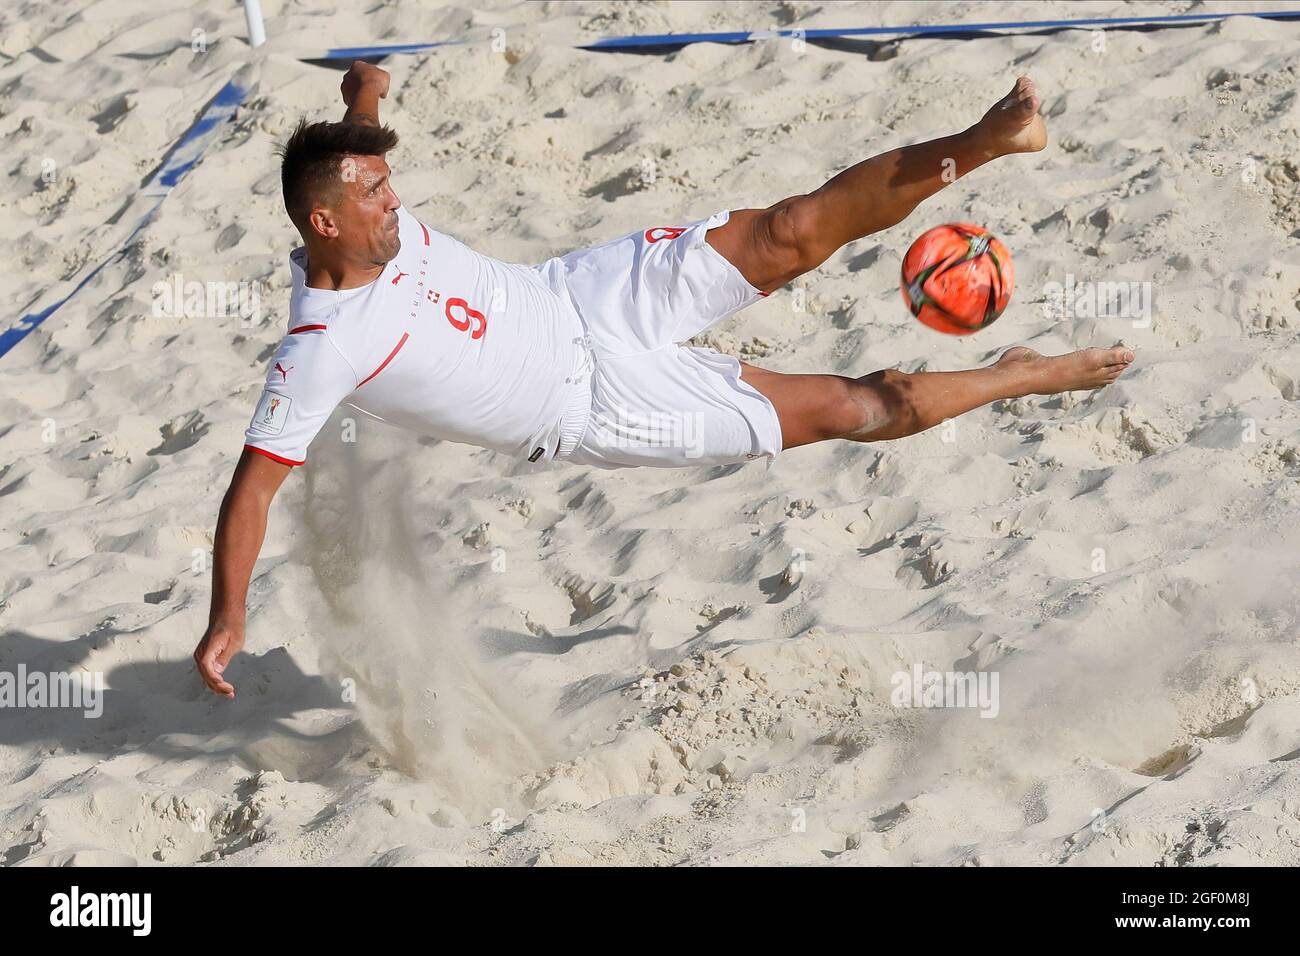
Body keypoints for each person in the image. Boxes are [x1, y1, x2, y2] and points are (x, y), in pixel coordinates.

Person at [194, 61, 1134, 698]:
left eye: (388, 185)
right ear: (324, 226)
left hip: (579, 297)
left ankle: (988, 137)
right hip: (595, 407)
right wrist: (229, 616)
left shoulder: (354, 201)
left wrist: (364, 93)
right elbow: (253, 489)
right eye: (373, 195)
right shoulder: (319, 346)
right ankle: (1021, 376)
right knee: (852, 405)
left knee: (789, 232)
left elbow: (352, 148)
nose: (394, 199)